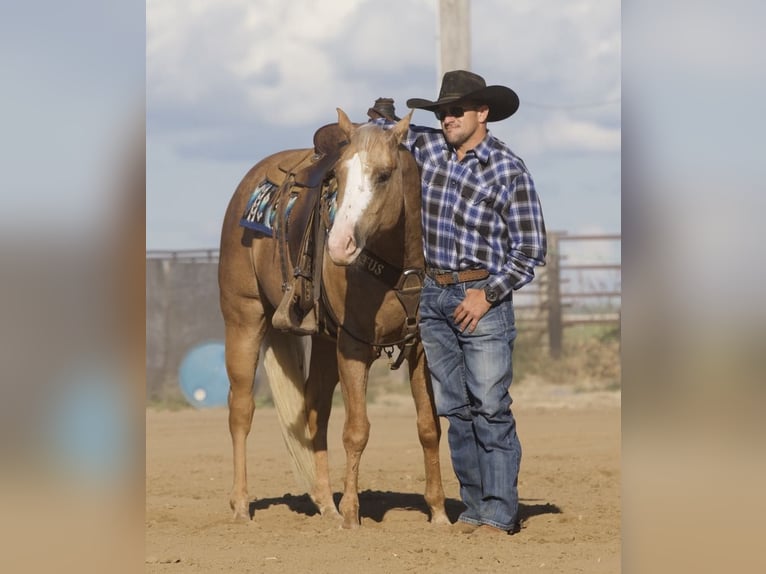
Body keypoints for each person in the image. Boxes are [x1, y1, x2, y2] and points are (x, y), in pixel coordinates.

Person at [375, 70, 547, 535]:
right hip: (433, 295)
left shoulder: (509, 169)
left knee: (490, 405)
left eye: (456, 110)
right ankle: (473, 507)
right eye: (442, 111)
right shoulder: (429, 150)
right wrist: (383, 117)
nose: (447, 117)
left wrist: (487, 294)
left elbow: (531, 250)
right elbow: (390, 139)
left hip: (482, 298)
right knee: (455, 408)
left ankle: (499, 510)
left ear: (482, 113)